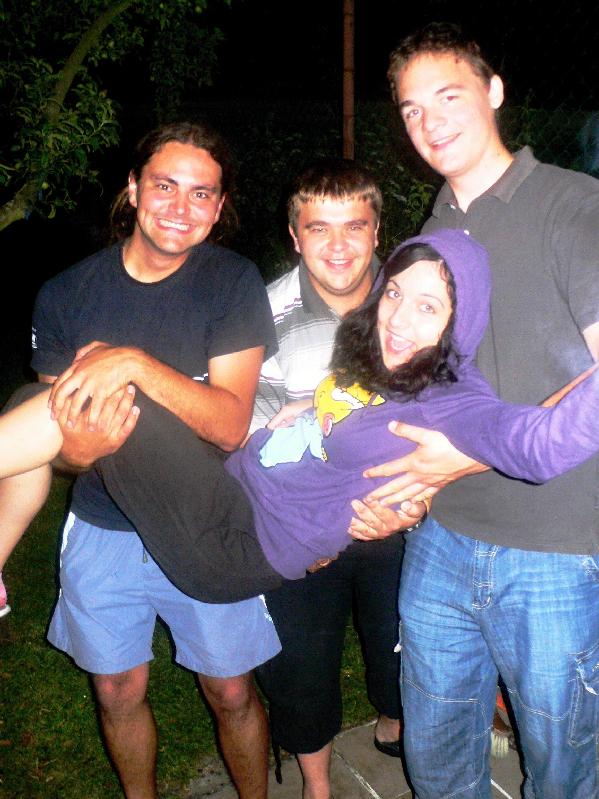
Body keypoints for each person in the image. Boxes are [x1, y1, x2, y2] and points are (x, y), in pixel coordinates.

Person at [5, 229, 599, 590]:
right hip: (229, 491)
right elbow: (340, 424)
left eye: (428, 307)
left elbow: (540, 446)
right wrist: (305, 411)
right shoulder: (383, 362)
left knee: (109, 387)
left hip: (237, 539)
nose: (398, 318)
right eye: (394, 292)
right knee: (38, 397)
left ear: (459, 321)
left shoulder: (452, 399)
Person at [9, 121, 282, 799]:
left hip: (206, 518)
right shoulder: (67, 293)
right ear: (133, 189)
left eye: (201, 194)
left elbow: (230, 426)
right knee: (116, 688)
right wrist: (78, 453)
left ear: (218, 208)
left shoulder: (231, 282)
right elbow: (57, 439)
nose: (180, 207)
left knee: (231, 690)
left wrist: (131, 362)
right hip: (104, 521)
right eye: (164, 186)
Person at [376, 22, 599, 799]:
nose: (429, 122)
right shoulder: (433, 230)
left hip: (554, 549)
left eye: (448, 96)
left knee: (561, 771)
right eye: (411, 109)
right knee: (435, 762)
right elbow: (425, 379)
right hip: (439, 537)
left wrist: (466, 455)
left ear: (494, 91)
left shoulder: (573, 205)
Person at [251, 159, 411, 799]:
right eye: (319, 228)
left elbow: (451, 405)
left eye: (355, 226)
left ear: (377, 231)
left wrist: (415, 502)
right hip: (303, 520)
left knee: (402, 642)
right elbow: (251, 436)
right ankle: (316, 783)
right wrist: (299, 533)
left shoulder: (416, 299)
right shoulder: (261, 314)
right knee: (300, 663)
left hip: (399, 510)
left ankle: (393, 723)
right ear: (294, 235)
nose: (338, 245)